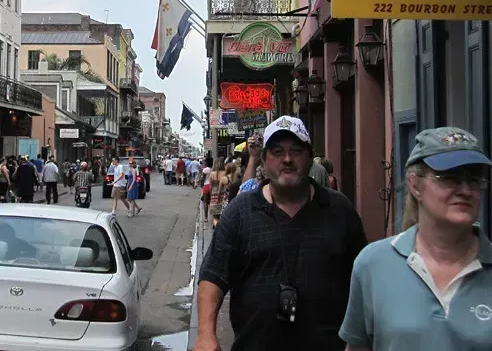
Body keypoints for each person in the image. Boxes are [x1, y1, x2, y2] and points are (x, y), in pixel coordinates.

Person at [195, 115, 367, 351]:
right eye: (277, 152)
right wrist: (206, 335)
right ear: (264, 161)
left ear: (309, 159)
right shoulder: (240, 211)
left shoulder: (340, 209)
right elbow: (213, 276)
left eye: (296, 151)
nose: (287, 159)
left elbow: (363, 280)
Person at [339, 127, 492, 351]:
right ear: (415, 185)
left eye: (473, 180)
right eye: (450, 178)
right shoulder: (373, 264)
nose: (465, 190)